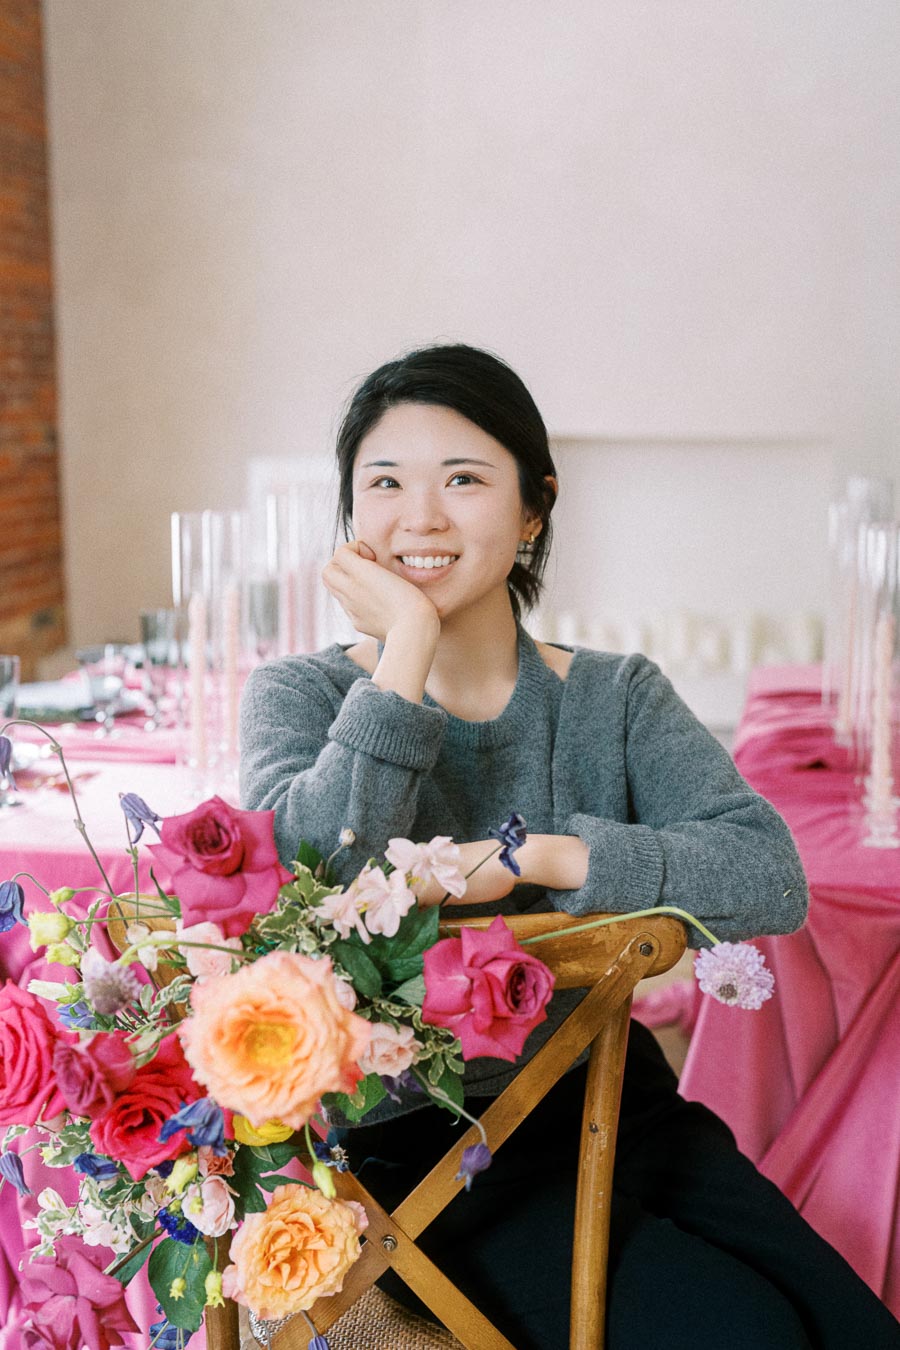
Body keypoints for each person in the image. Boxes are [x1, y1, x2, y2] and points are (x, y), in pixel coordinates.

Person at [239, 344, 900, 1349]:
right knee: (748, 1335)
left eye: (464, 479)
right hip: (425, 1153)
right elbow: (308, 888)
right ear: (351, 514)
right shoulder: (300, 696)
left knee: (853, 1332)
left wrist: (533, 856)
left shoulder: (612, 696)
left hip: (616, 1102)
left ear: (535, 507)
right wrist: (406, 652)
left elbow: (769, 877)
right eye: (385, 483)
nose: (420, 516)